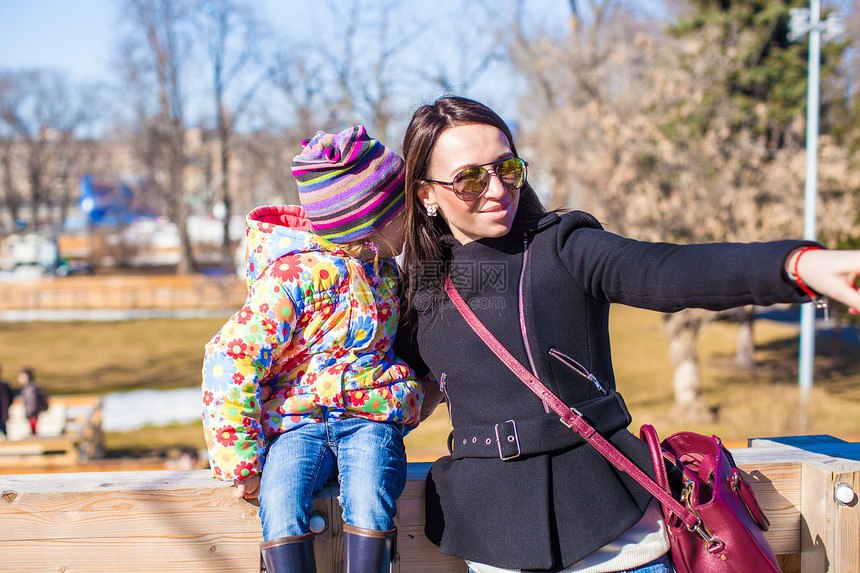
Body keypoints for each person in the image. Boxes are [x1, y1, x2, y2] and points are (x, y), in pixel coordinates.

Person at [395, 95, 860, 573]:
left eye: (507, 169)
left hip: (616, 543)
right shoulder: (424, 285)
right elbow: (382, 377)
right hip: (493, 543)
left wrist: (797, 265)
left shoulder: (563, 247)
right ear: (426, 193)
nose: (496, 190)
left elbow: (669, 271)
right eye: (470, 179)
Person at [202, 126, 427, 573]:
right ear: (371, 224)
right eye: (404, 210)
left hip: (369, 419)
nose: (414, 219)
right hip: (296, 423)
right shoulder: (292, 280)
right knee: (280, 500)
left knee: (371, 494)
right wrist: (242, 461)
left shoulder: (386, 274)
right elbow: (229, 361)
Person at [18, 368, 48, 436]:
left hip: (32, 413)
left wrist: (30, 413)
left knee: (33, 431)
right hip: (33, 412)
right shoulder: (30, 387)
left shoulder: (30, 388)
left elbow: (32, 402)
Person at [0, 366, 14, 438]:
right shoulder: (4, 385)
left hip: (3, 413)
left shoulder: (4, 385)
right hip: (3, 413)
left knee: (4, 429)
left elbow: (10, 398)